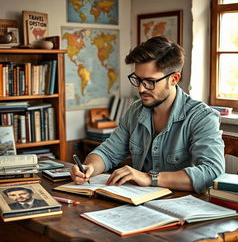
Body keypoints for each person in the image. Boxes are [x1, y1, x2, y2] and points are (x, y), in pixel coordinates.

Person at [71, 35, 225, 193]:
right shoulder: (134, 111)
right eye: (137, 80)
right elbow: (108, 152)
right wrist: (89, 167)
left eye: (150, 81)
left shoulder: (202, 117)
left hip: (183, 206)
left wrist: (150, 178)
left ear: (174, 79)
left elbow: (212, 172)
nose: (141, 89)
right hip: (139, 203)